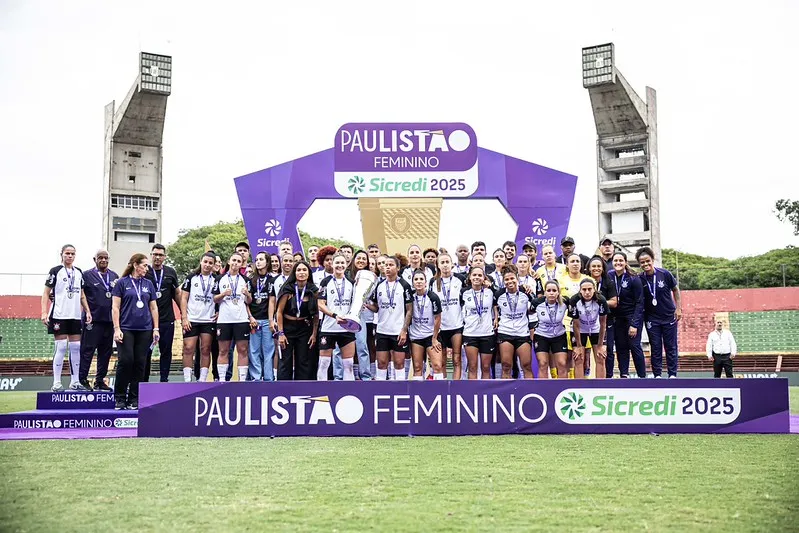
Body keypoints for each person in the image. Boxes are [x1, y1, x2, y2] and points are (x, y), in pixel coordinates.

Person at [111, 253, 159, 410]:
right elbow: (115, 307)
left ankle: (134, 398)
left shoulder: (148, 284)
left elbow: (153, 307)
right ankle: (119, 397)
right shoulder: (122, 283)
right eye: (144, 265)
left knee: (140, 363)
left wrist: (155, 328)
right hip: (126, 328)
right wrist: (116, 328)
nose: (147, 268)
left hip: (144, 329)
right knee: (126, 361)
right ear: (135, 265)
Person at [42, 244, 92, 391]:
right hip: (59, 314)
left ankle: (75, 381)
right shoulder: (55, 271)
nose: (70, 256)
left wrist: (87, 311)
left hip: (75, 315)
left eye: (72, 254)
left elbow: (82, 295)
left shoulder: (78, 272)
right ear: (62, 254)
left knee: (76, 347)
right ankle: (56, 382)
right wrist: (44, 312)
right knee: (61, 346)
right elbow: (46, 293)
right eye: (67, 253)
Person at [636, 247, 682, 378]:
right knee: (655, 347)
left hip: (669, 316)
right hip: (651, 319)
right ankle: (657, 375)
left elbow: (676, 290)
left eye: (647, 261)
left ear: (652, 260)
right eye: (642, 262)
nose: (645, 264)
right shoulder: (640, 279)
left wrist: (678, 308)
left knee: (671, 346)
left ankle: (672, 374)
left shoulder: (664, 274)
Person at [367, 256, 413, 380]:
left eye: (391, 265)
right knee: (381, 363)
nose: (387, 267)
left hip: (398, 331)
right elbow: (377, 308)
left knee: (399, 363)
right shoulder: (379, 285)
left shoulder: (404, 285)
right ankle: (381, 390)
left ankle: (400, 391)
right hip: (382, 331)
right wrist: (366, 305)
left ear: (398, 268)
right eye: (385, 265)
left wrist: (404, 330)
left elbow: (409, 310)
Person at [78, 249, 118, 390]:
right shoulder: (86, 275)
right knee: (87, 350)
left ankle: (100, 381)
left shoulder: (114, 276)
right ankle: (82, 379)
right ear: (94, 259)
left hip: (109, 321)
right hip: (92, 320)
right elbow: (81, 295)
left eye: (106, 258)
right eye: (100, 257)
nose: (103, 260)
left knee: (105, 353)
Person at [143, 244, 181, 382]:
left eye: (160, 255)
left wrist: (183, 313)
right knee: (146, 352)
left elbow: (177, 294)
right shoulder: (145, 271)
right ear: (151, 255)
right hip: (147, 321)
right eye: (155, 254)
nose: (157, 257)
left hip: (167, 319)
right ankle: (144, 380)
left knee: (166, 351)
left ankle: (164, 380)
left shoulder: (171, 272)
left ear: (165, 257)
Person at [212, 253, 252, 382]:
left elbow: (249, 301)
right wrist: (223, 294)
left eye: (238, 261)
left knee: (243, 350)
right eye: (233, 260)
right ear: (229, 261)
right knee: (223, 350)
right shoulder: (219, 278)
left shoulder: (246, 280)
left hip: (241, 319)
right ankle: (223, 379)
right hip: (224, 320)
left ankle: (242, 380)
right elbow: (214, 299)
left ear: (241, 264)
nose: (235, 263)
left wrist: (247, 294)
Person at [316, 253, 357, 380]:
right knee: (324, 363)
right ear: (332, 264)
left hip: (347, 328)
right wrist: (334, 316)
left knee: (349, 364)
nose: (339, 265)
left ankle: (348, 392)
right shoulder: (326, 282)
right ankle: (321, 393)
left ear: (347, 264)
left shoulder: (352, 282)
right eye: (337, 263)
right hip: (328, 328)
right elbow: (320, 304)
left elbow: (356, 304)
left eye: (342, 263)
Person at [276, 260, 318, 380]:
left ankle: (302, 389)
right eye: (299, 270)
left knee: (303, 360)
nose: (301, 272)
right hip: (287, 327)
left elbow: (316, 315)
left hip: (304, 328)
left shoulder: (313, 291)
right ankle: (284, 389)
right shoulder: (287, 289)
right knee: (285, 360)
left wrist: (314, 334)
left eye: (304, 270)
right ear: (294, 273)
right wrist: (281, 333)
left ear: (309, 273)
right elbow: (279, 312)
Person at [180, 252, 217, 382]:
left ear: (214, 265)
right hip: (192, 319)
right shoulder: (191, 277)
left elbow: (219, 299)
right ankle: (187, 380)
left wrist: (218, 312)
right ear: (201, 261)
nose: (207, 265)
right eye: (205, 262)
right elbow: (183, 298)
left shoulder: (216, 279)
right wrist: (184, 317)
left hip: (208, 320)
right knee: (188, 348)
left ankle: (202, 380)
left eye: (210, 263)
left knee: (205, 349)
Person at [495, 266, 535, 379]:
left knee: (526, 365)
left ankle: (529, 392)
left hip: (522, 332)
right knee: (506, 366)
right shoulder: (498, 294)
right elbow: (493, 309)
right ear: (503, 281)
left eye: (512, 278)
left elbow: (537, 306)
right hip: (505, 332)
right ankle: (506, 394)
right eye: (506, 279)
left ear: (517, 278)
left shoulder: (526, 291)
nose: (510, 281)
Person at [611, 252, 646, 378]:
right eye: (615, 261)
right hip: (617, 318)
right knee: (621, 346)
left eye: (621, 260)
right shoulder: (609, 276)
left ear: (625, 262)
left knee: (634, 345)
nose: (618, 263)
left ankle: (642, 376)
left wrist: (634, 324)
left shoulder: (633, 278)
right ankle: (624, 375)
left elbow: (640, 302)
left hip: (632, 316)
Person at [430, 253, 465, 380]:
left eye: (447, 262)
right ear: (438, 265)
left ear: (452, 264)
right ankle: (444, 388)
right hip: (440, 327)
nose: (445, 265)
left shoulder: (460, 279)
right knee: (442, 361)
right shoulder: (433, 282)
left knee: (456, 359)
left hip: (456, 325)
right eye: (442, 263)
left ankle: (456, 388)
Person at [459, 267, 498, 380]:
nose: (477, 277)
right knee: (472, 366)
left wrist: (496, 318)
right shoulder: (464, 292)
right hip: (470, 333)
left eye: (480, 275)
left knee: (486, 367)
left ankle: (485, 394)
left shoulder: (490, 292)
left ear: (484, 278)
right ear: (470, 277)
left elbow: (497, 302)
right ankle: (472, 393)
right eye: (474, 275)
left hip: (487, 333)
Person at [569, 279, 610, 379]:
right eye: (584, 290)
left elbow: (603, 323)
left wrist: (600, 345)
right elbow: (576, 325)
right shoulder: (574, 300)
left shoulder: (601, 300)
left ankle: (600, 388)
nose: (587, 292)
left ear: (594, 290)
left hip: (596, 329)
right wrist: (578, 346)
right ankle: (579, 388)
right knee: (578, 357)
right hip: (580, 329)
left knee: (600, 357)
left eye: (589, 289)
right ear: (580, 291)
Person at [408, 270, 443, 380]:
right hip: (416, 336)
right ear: (413, 283)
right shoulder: (410, 298)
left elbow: (438, 318)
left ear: (426, 282)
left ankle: (439, 393)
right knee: (417, 367)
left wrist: (434, 338)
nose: (419, 282)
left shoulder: (433, 297)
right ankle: (419, 393)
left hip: (430, 335)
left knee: (437, 366)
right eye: (416, 279)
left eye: (421, 279)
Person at [530, 280, 569, 379]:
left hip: (559, 335)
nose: (551, 293)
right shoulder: (537, 302)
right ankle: (543, 391)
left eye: (554, 290)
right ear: (544, 292)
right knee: (543, 364)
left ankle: (562, 389)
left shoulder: (565, 302)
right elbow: (529, 313)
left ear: (558, 292)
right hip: (541, 335)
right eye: (548, 290)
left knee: (562, 363)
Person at [345, 250, 373, 380]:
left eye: (364, 259)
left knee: (362, 346)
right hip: (344, 314)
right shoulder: (345, 275)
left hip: (360, 315)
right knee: (342, 347)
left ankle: (365, 376)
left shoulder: (370, 277)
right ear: (353, 259)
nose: (361, 261)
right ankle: (344, 376)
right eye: (359, 258)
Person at [587, 256, 618, 377]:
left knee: (604, 353)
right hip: (585, 322)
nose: (596, 268)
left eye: (599, 266)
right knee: (583, 355)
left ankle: (606, 380)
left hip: (603, 322)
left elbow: (614, 302)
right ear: (589, 268)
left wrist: (598, 301)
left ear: (603, 268)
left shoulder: (608, 281)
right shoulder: (584, 281)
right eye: (593, 266)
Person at [248, 251, 275, 381]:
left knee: (268, 350)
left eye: (261, 259)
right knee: (254, 351)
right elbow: (246, 302)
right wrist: (250, 317)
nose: (258, 262)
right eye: (256, 259)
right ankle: (256, 378)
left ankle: (269, 378)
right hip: (254, 320)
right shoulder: (251, 280)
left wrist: (271, 320)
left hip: (266, 320)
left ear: (267, 262)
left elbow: (272, 300)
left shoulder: (273, 280)